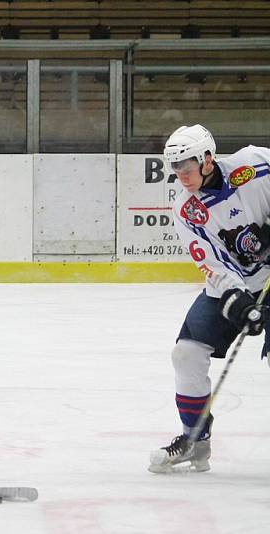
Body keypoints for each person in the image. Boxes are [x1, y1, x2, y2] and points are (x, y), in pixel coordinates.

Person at [149, 124, 270, 474]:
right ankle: (195, 441)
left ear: (207, 159)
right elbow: (211, 264)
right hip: (235, 286)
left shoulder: (255, 165)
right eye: (176, 171)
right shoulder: (187, 210)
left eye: (186, 168)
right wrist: (239, 302)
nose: (182, 177)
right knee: (185, 354)